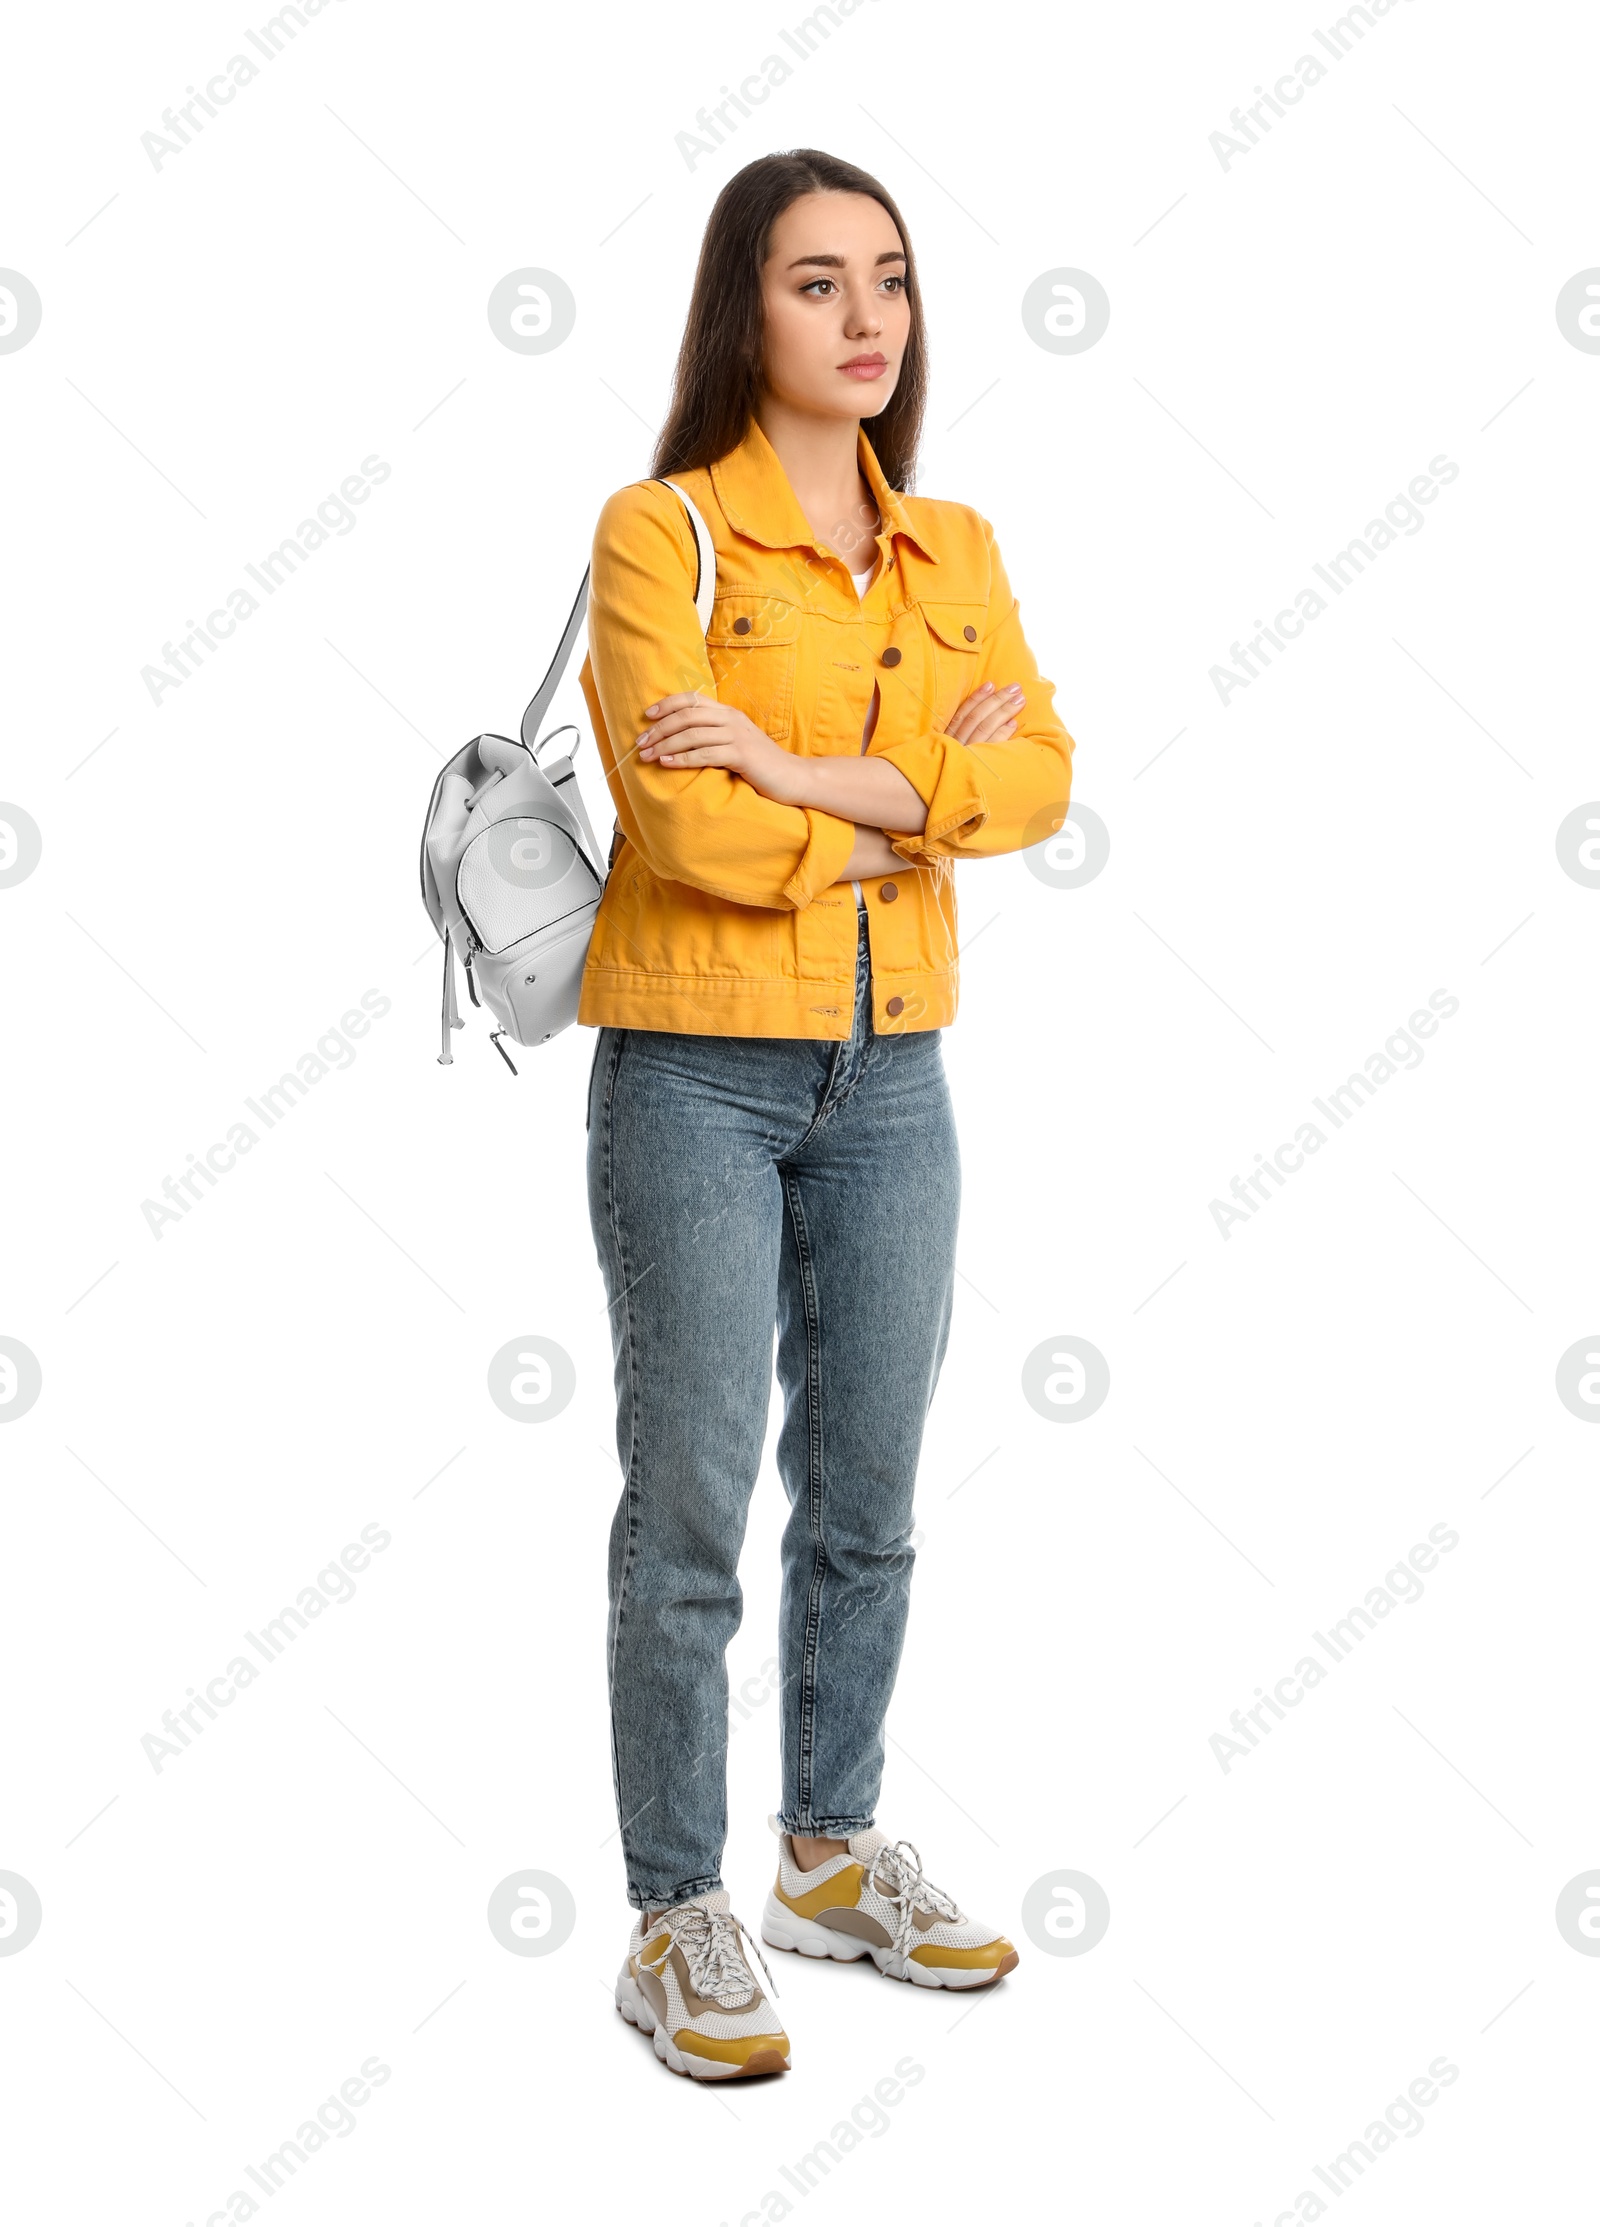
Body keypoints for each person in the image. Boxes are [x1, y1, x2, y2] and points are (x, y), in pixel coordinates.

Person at [577, 147, 1075, 2081]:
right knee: (692, 1503)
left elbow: (1044, 778)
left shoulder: (952, 546)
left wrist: (793, 760)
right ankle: (672, 1909)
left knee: (869, 1497)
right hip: (696, 1071)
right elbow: (683, 830)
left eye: (889, 280)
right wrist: (899, 800)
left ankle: (832, 1854)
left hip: (898, 1078)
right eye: (816, 284)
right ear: (741, 311)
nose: (867, 320)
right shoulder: (659, 536)